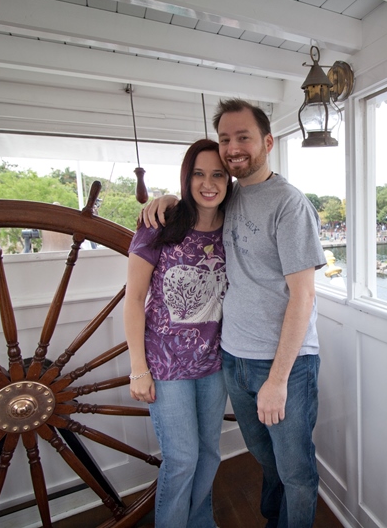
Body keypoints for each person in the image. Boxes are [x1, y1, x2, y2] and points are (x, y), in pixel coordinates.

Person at [143, 99, 325, 528]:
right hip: (232, 358)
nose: (232, 147)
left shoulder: (290, 204)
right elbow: (199, 198)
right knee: (266, 459)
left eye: (243, 137)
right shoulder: (231, 194)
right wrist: (169, 196)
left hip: (285, 364)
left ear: (267, 141)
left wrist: (278, 380)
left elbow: (304, 297)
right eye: (226, 138)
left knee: (296, 469)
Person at [124, 139, 232, 528]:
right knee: (182, 458)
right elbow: (134, 299)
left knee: (209, 454)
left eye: (217, 174)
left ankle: (201, 522)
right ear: (186, 179)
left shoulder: (233, 225)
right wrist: (138, 368)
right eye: (199, 174)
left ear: (228, 179)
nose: (208, 183)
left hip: (214, 362)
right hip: (165, 365)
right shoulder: (159, 224)